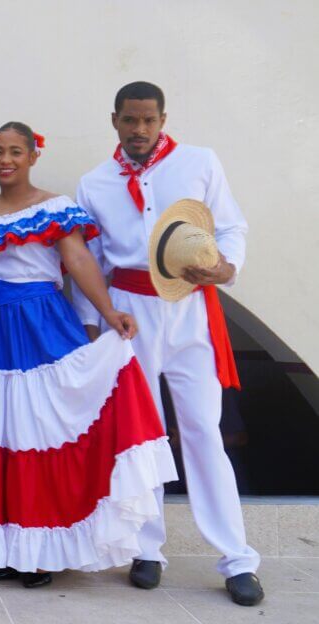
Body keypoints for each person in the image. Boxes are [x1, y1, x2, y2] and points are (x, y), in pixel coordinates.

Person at [0, 122, 177, 587]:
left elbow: (77, 260)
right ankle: (10, 547)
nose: (5, 159)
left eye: (15, 151)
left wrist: (110, 311)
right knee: (4, 432)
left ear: (34, 156)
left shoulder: (53, 207)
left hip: (42, 323)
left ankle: (44, 550)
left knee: (44, 430)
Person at [71, 81, 263, 606]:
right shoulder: (94, 182)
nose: (139, 130)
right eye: (130, 121)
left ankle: (237, 557)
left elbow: (231, 227)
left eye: (148, 121)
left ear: (162, 119)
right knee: (141, 434)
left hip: (190, 309)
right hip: (129, 314)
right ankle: (147, 550)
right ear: (115, 120)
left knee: (205, 431)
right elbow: (89, 259)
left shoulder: (199, 161)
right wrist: (93, 322)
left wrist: (226, 266)